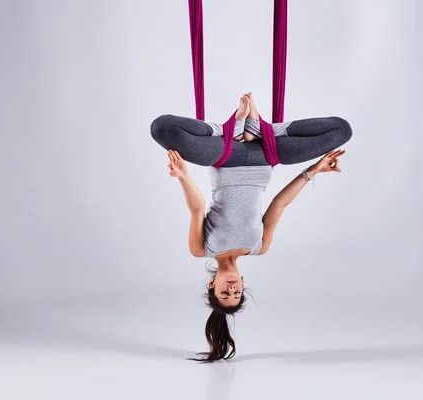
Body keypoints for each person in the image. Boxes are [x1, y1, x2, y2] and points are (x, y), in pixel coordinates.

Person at [150, 93, 352, 362]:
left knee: (162, 128)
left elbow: (197, 208)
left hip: (223, 154)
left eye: (225, 292)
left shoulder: (201, 249)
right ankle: (257, 130)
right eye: (237, 292)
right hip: (265, 155)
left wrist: (184, 176)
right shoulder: (259, 247)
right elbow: (279, 205)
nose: (232, 288)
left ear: (212, 284)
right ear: (244, 285)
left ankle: (232, 129)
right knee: (340, 130)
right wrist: (314, 170)